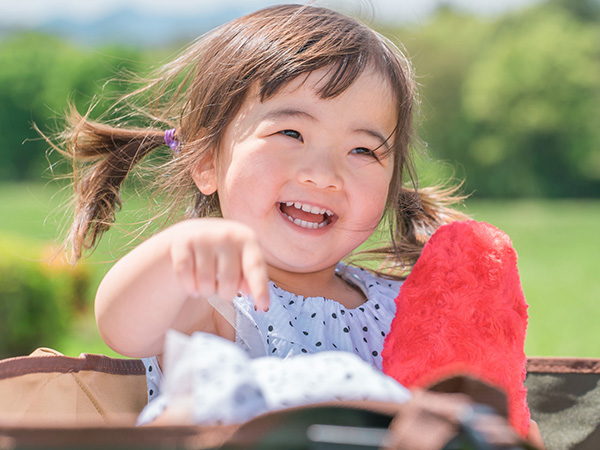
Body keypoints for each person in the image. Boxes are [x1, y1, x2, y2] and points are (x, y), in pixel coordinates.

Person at [56, 4, 543, 445]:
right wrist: (182, 247)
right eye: (291, 132)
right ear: (206, 160)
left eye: (363, 150)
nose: (324, 174)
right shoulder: (214, 302)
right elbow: (122, 325)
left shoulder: (401, 306)